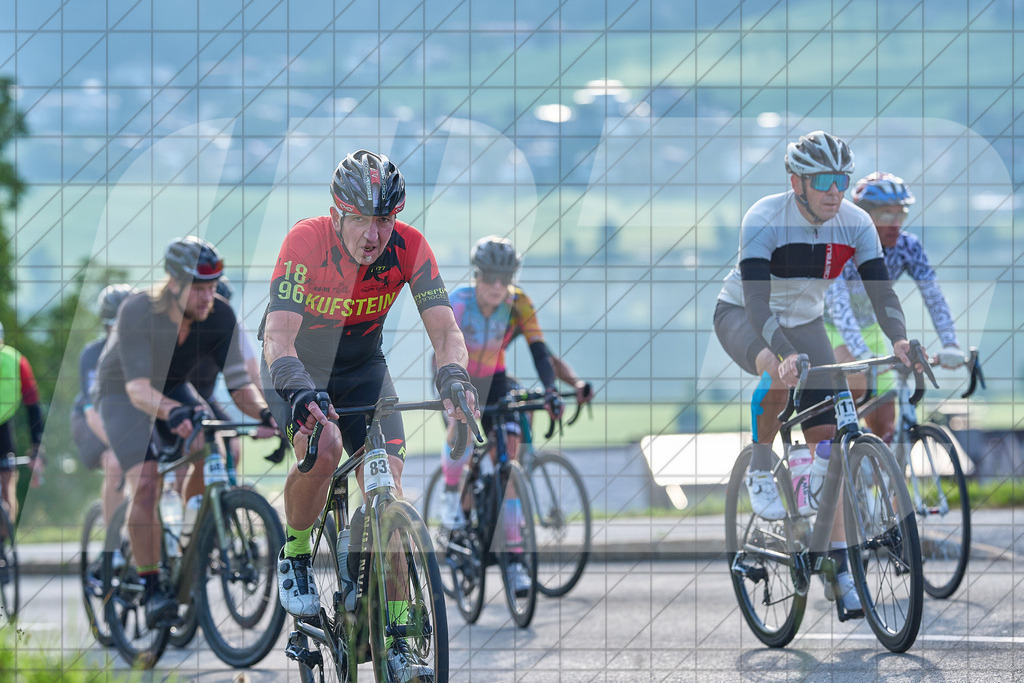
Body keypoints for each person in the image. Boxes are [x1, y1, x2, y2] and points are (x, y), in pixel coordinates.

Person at [261, 149, 477, 681]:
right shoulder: (305, 242)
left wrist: (454, 377)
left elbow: (447, 331)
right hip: (298, 367)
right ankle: (293, 554)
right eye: (361, 218)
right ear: (338, 213)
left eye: (385, 218)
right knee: (327, 445)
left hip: (363, 368)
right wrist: (300, 393)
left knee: (390, 495)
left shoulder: (409, 247)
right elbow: (277, 337)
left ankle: (400, 637)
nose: (374, 234)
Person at [714, 131, 923, 614]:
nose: (835, 190)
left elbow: (882, 293)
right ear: (797, 182)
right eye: (824, 180)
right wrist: (781, 353)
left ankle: (839, 567)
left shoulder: (854, 223)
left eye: (841, 180)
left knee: (831, 447)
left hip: (806, 322)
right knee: (779, 371)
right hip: (743, 315)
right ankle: (762, 466)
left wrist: (899, 341)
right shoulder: (765, 216)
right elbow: (757, 299)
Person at [94, 237, 277, 628]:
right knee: (144, 482)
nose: (208, 295)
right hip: (121, 392)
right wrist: (171, 410)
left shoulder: (220, 315)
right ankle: (150, 585)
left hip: (172, 385)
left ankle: (188, 535)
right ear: (173, 282)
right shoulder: (139, 310)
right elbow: (137, 390)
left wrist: (264, 414)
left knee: (210, 439)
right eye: (199, 287)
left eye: (213, 285)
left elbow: (240, 384)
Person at [440, 235, 593, 594]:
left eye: (504, 279)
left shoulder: (519, 302)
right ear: (477, 275)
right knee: (460, 429)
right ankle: (451, 496)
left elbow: (541, 351)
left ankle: (515, 562)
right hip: (458, 376)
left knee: (509, 457)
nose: (497, 287)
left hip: (495, 379)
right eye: (490, 278)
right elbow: (442, 350)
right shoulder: (459, 303)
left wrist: (553, 390)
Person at [825, 172, 964, 443]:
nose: (895, 224)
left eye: (901, 215)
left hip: (870, 329)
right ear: (863, 216)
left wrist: (951, 344)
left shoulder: (907, 246)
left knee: (886, 431)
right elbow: (838, 306)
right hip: (831, 328)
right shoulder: (842, 244)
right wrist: (862, 354)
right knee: (854, 391)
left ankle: (879, 474)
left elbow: (933, 294)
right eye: (886, 216)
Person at [74, 284, 136, 528]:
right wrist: (120, 445)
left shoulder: (143, 349)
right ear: (106, 325)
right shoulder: (92, 355)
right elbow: (92, 413)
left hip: (124, 417)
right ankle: (113, 545)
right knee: (115, 461)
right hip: (91, 419)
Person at [0, 320, 45, 523]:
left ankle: (2, 544)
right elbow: (33, 407)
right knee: (7, 480)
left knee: (7, 480)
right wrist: (36, 448)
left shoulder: (16, 361)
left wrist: (36, 449)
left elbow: (33, 406)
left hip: (3, 426)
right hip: (4, 425)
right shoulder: (16, 359)